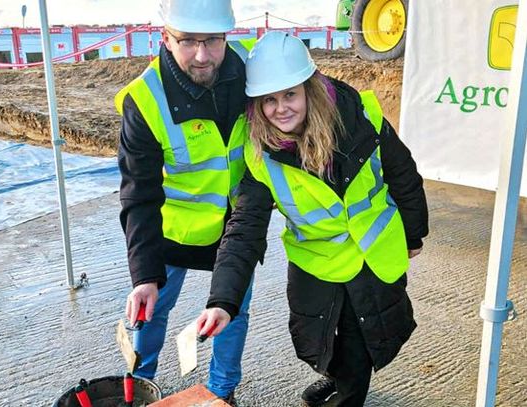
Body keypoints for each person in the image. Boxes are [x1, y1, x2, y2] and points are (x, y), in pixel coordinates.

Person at [197, 31, 429, 406]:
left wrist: (414, 234)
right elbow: (243, 231)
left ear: (309, 87)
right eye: (268, 99)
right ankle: (337, 376)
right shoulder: (259, 155)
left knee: (360, 346)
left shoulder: (361, 117)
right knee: (314, 339)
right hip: (315, 260)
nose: (281, 108)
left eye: (290, 94)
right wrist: (222, 300)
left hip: (372, 253)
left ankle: (348, 389)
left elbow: (402, 171)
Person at [114, 0, 255, 403]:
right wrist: (143, 275)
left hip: (235, 227)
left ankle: (221, 392)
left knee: (232, 314)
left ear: (227, 36)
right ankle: (140, 387)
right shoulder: (144, 99)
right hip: (171, 231)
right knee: (150, 311)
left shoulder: (249, 70)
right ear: (165, 37)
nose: (202, 55)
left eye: (212, 40)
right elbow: (138, 195)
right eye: (188, 41)